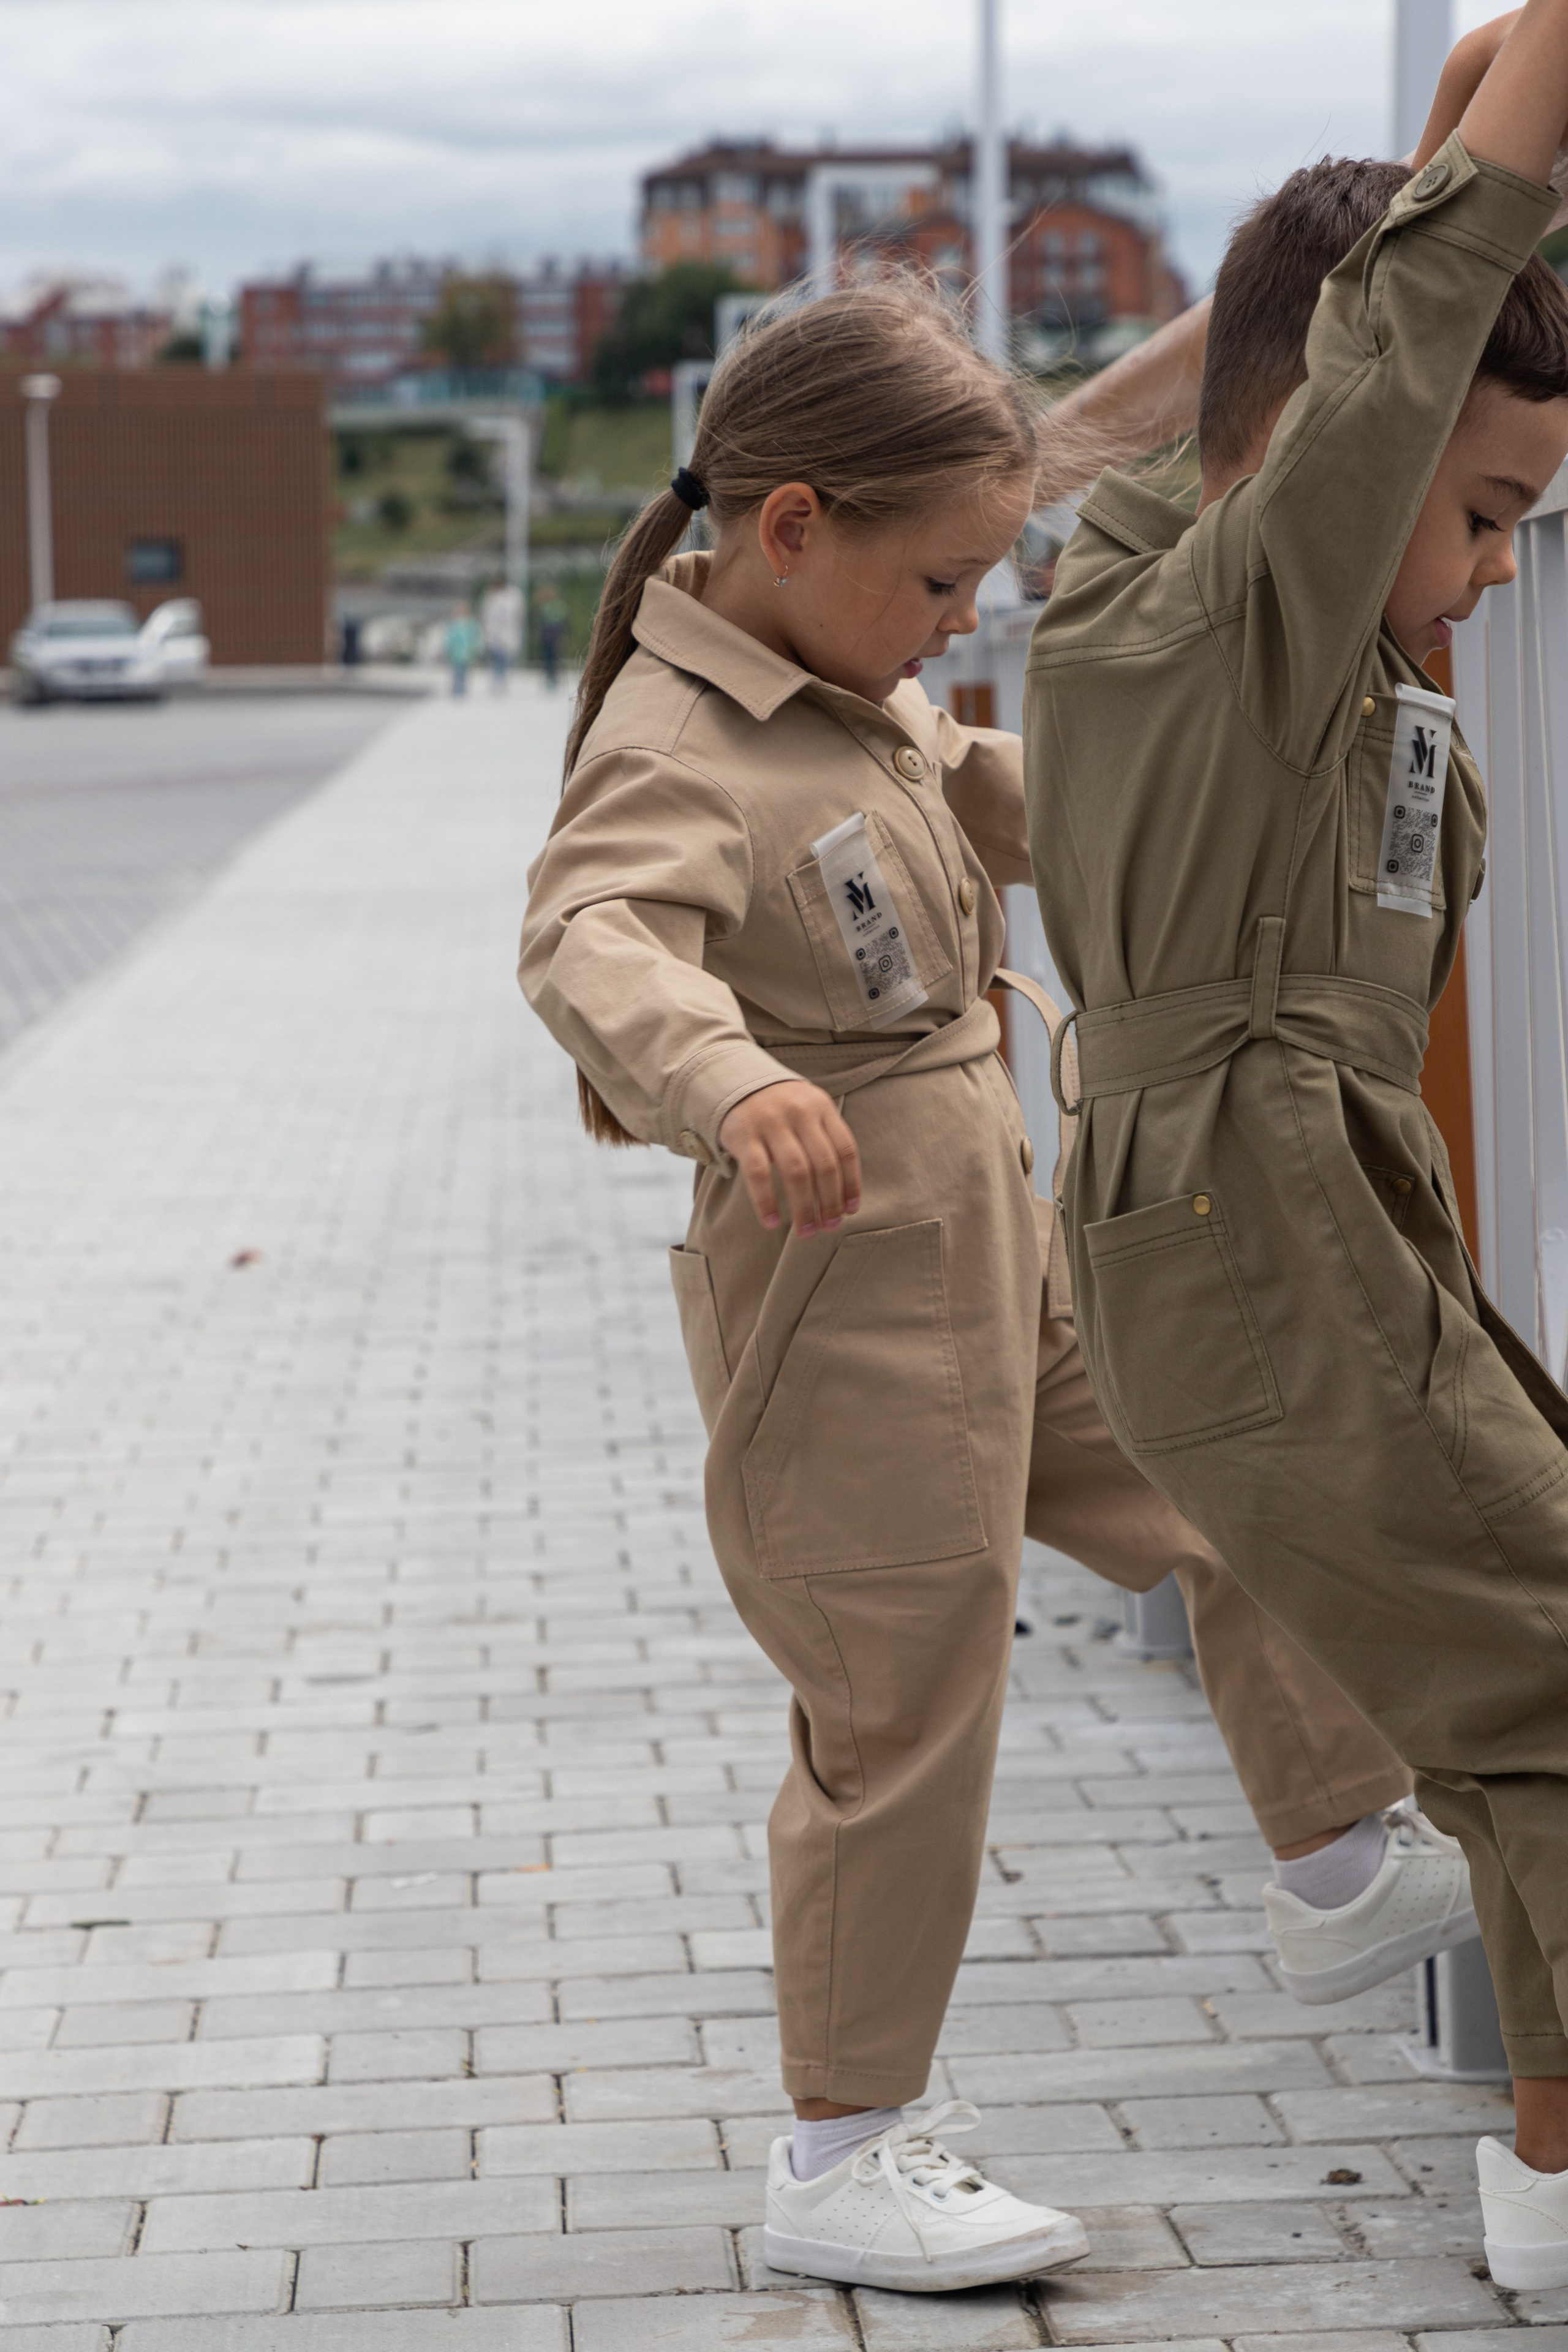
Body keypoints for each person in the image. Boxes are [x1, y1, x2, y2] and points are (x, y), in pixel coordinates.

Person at [518, 280, 1468, 2294]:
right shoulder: (681, 733)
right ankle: (846, 2150)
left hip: (1001, 1258)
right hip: (843, 1310)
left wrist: (1194, 826)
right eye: (946, 578)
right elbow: (595, 937)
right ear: (793, 528)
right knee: (905, 1715)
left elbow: (983, 794)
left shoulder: (854, 687)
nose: (968, 614)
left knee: (1241, 1484)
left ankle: (1341, 1851)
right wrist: (736, 1077)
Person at [1023, 1, 1568, 2290]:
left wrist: (1446, 121)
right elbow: (1399, 309)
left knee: (1517, 1687)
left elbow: (1364, 293)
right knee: (1546, 1673)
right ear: (1343, 460)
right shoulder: (1208, 615)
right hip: (1252, 1243)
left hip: (1303, 1229)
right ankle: (1537, 2175)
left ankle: (1537, 2171)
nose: (1499, 571)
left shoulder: (1259, 618)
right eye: (1479, 514)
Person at [481, 579, 523, 693]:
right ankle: (496, 682)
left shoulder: (511, 596)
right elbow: (487, 616)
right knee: (495, 660)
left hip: (505, 635)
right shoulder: (491, 597)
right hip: (494, 635)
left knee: (503, 659)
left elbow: (514, 614)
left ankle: (502, 682)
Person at [534, 581, 570, 690]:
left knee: (554, 659)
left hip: (555, 637)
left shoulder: (559, 606)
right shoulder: (545, 607)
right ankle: (550, 679)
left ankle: (553, 679)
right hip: (547, 638)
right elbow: (541, 623)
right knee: (548, 659)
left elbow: (564, 623)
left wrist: (564, 637)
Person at [445, 603, 481, 696]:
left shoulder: (471, 625)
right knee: (457, 672)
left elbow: (476, 638)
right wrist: (448, 650)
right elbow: (449, 639)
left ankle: (462, 690)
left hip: (467, 653)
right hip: (456, 653)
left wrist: (477, 649)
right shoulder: (453, 625)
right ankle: (456, 690)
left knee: (464, 673)